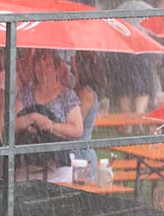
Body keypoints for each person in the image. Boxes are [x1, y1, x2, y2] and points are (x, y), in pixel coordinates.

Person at [14, 50, 83, 181]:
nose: (43, 69)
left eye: (48, 65)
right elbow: (11, 125)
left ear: (56, 69)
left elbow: (77, 130)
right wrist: (33, 117)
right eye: (39, 65)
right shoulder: (25, 94)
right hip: (26, 170)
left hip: (58, 172)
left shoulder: (67, 96)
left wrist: (49, 126)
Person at [70, 52, 106, 166]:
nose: (71, 59)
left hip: (81, 156)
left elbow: (75, 124)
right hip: (75, 153)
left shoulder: (86, 95)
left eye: (75, 59)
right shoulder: (77, 89)